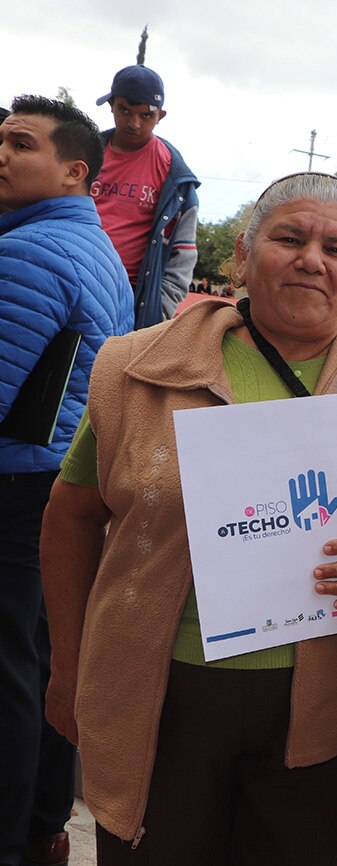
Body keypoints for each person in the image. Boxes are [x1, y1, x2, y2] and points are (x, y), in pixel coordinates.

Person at [40, 172, 337, 866]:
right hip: (162, 696)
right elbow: (71, 515)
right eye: (289, 237)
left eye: (336, 248)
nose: (312, 259)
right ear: (244, 257)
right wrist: (66, 667)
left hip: (332, 711)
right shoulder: (138, 368)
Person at [0, 95, 133, 866]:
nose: (2, 153)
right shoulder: (92, 247)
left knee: (11, 672)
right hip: (55, 481)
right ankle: (45, 822)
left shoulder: (27, 254)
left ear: (74, 170)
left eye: (20, 143)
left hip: (16, 485)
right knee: (42, 665)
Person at [92, 64, 199, 329]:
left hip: (126, 298)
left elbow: (183, 255)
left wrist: (158, 312)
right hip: (67, 277)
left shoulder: (175, 178)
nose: (134, 123)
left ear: (160, 116)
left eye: (146, 115)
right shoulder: (82, 155)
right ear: (111, 105)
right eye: (125, 110)